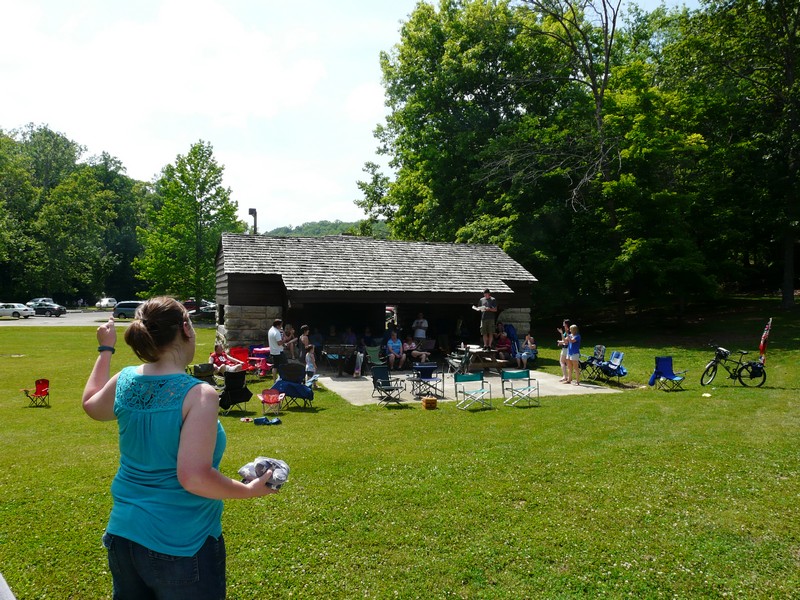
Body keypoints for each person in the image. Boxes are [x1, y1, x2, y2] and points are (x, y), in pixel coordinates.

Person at [81, 297, 277, 600]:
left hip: (123, 536)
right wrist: (248, 490)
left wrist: (106, 349)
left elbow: (92, 406)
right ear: (186, 327)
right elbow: (194, 478)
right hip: (183, 545)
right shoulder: (199, 394)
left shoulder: (126, 380)